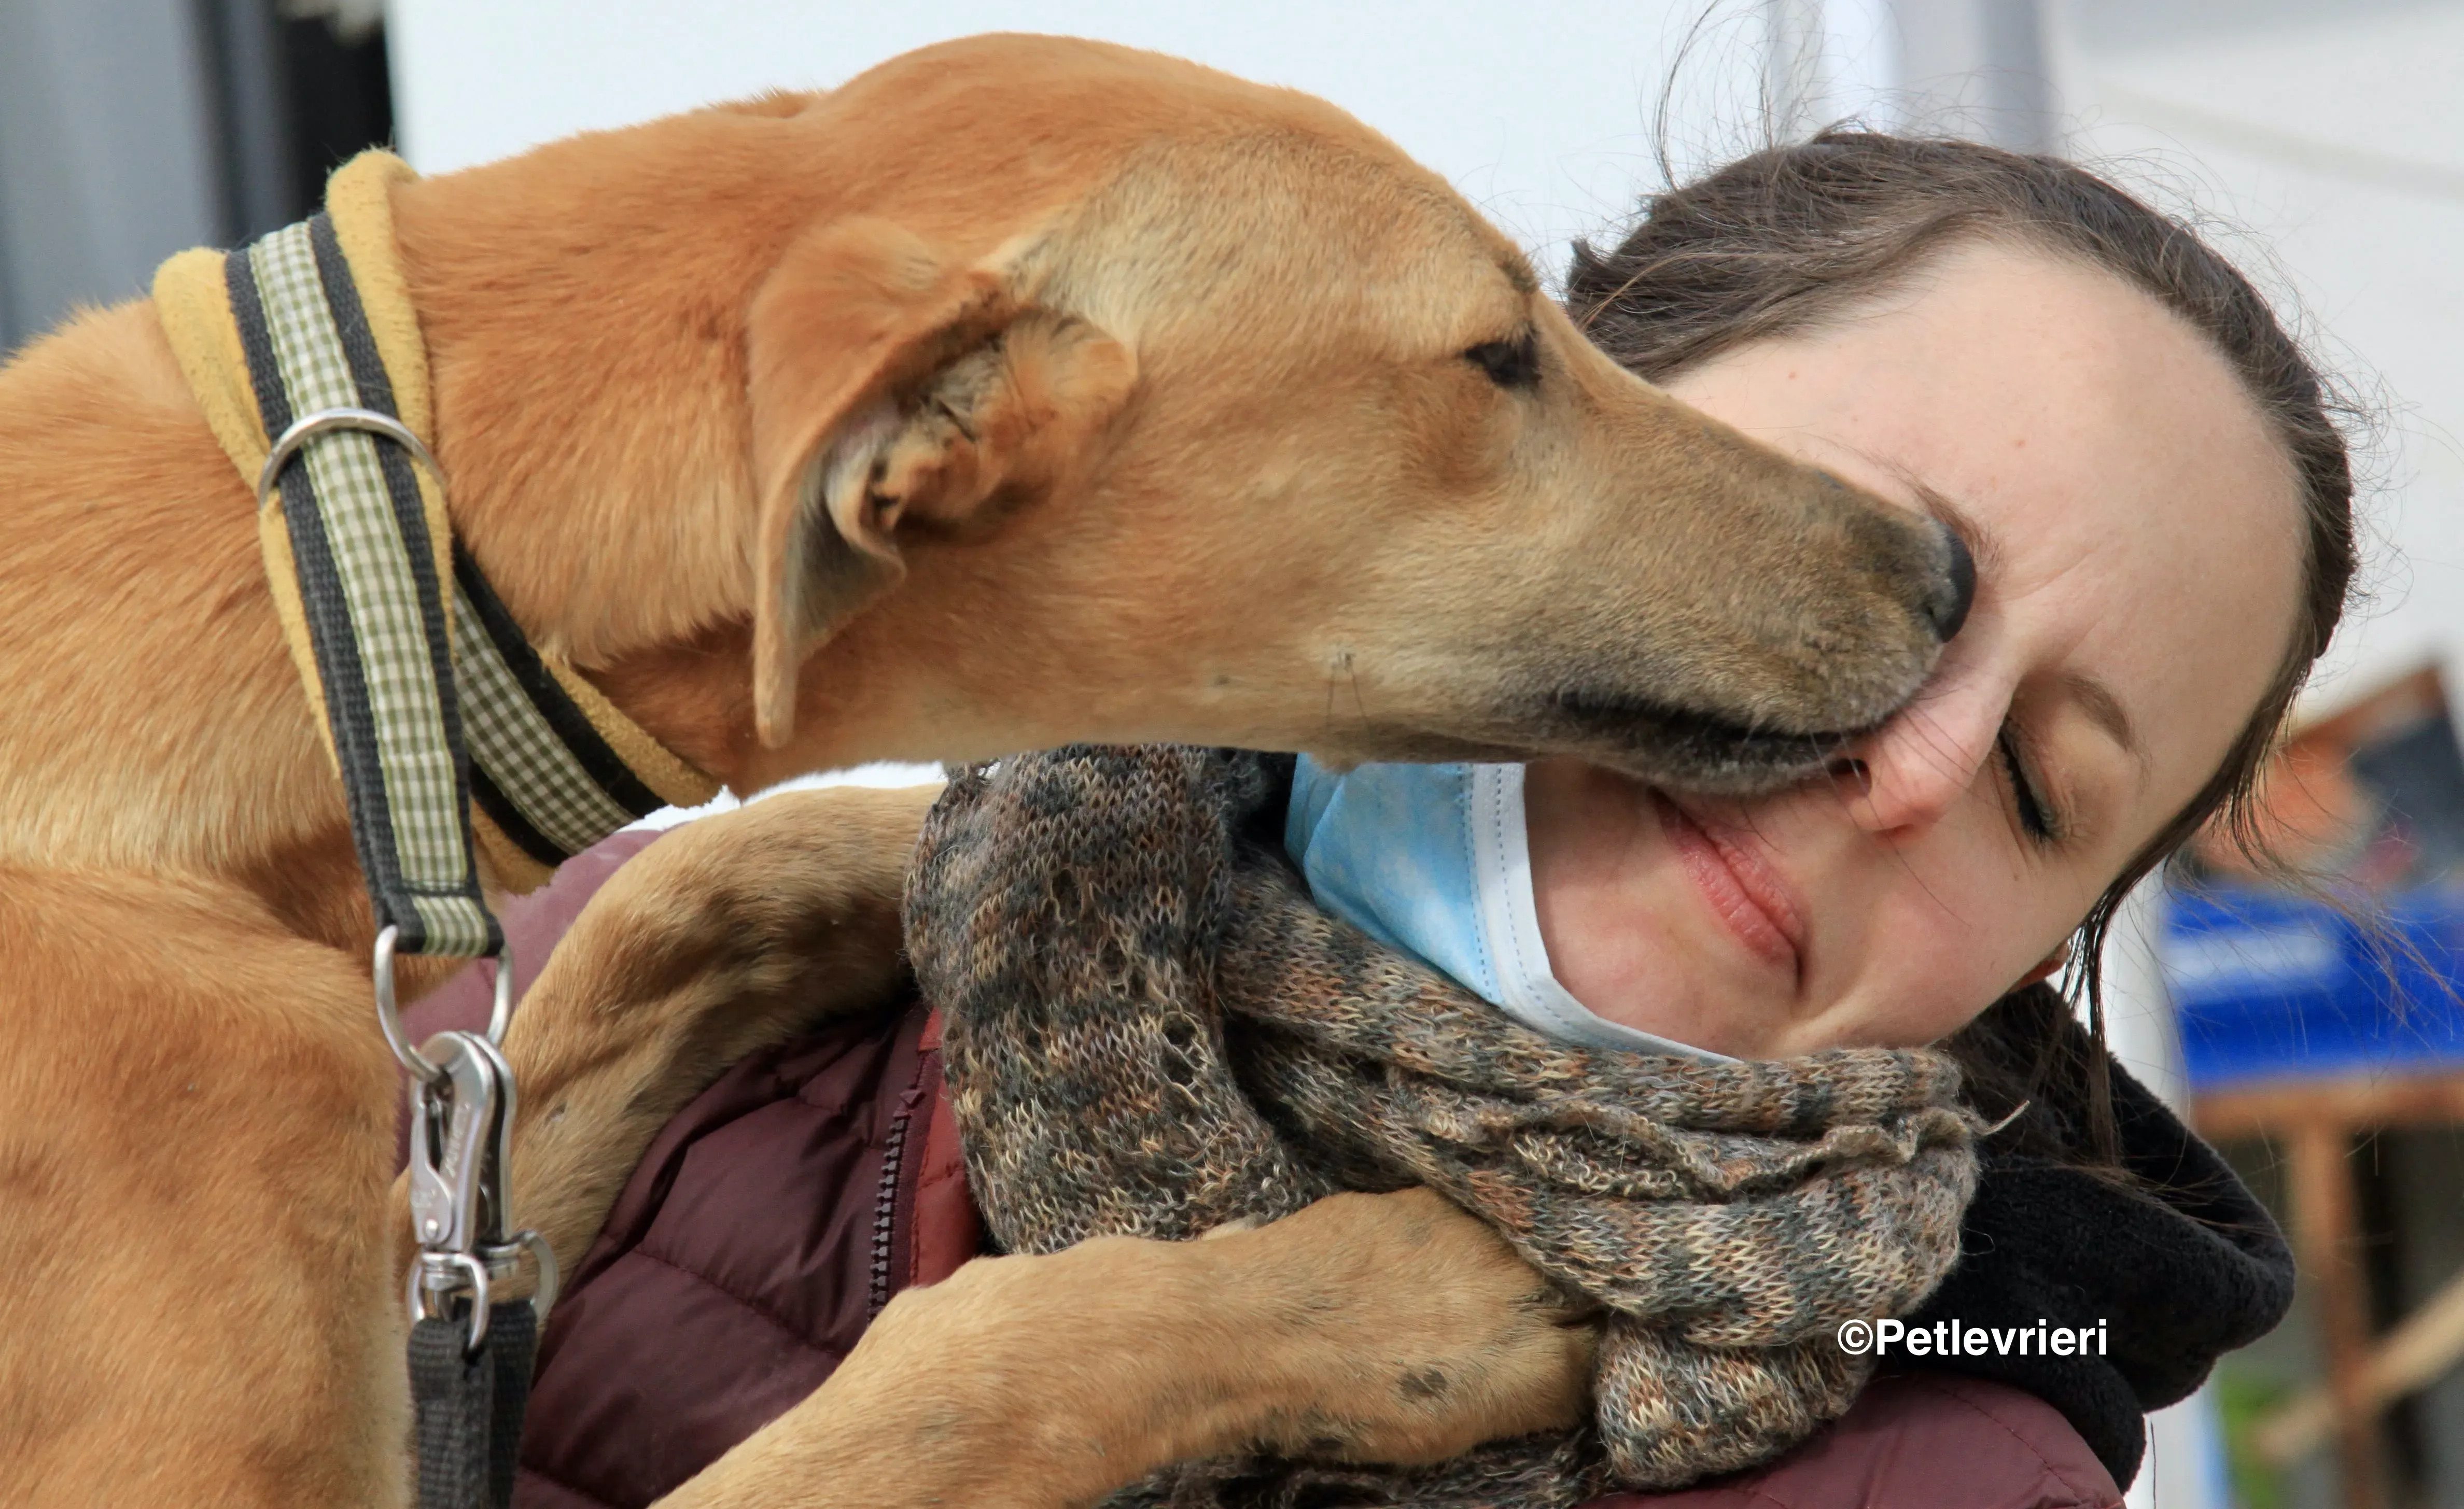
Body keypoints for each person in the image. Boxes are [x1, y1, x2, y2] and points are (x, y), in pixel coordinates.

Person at [491, 130, 2354, 1509]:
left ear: (2045, 959)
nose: (1912, 771)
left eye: (2039, 798)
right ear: (1546, 409)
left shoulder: (1950, 1465)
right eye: (1861, 571)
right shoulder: (605, 973)